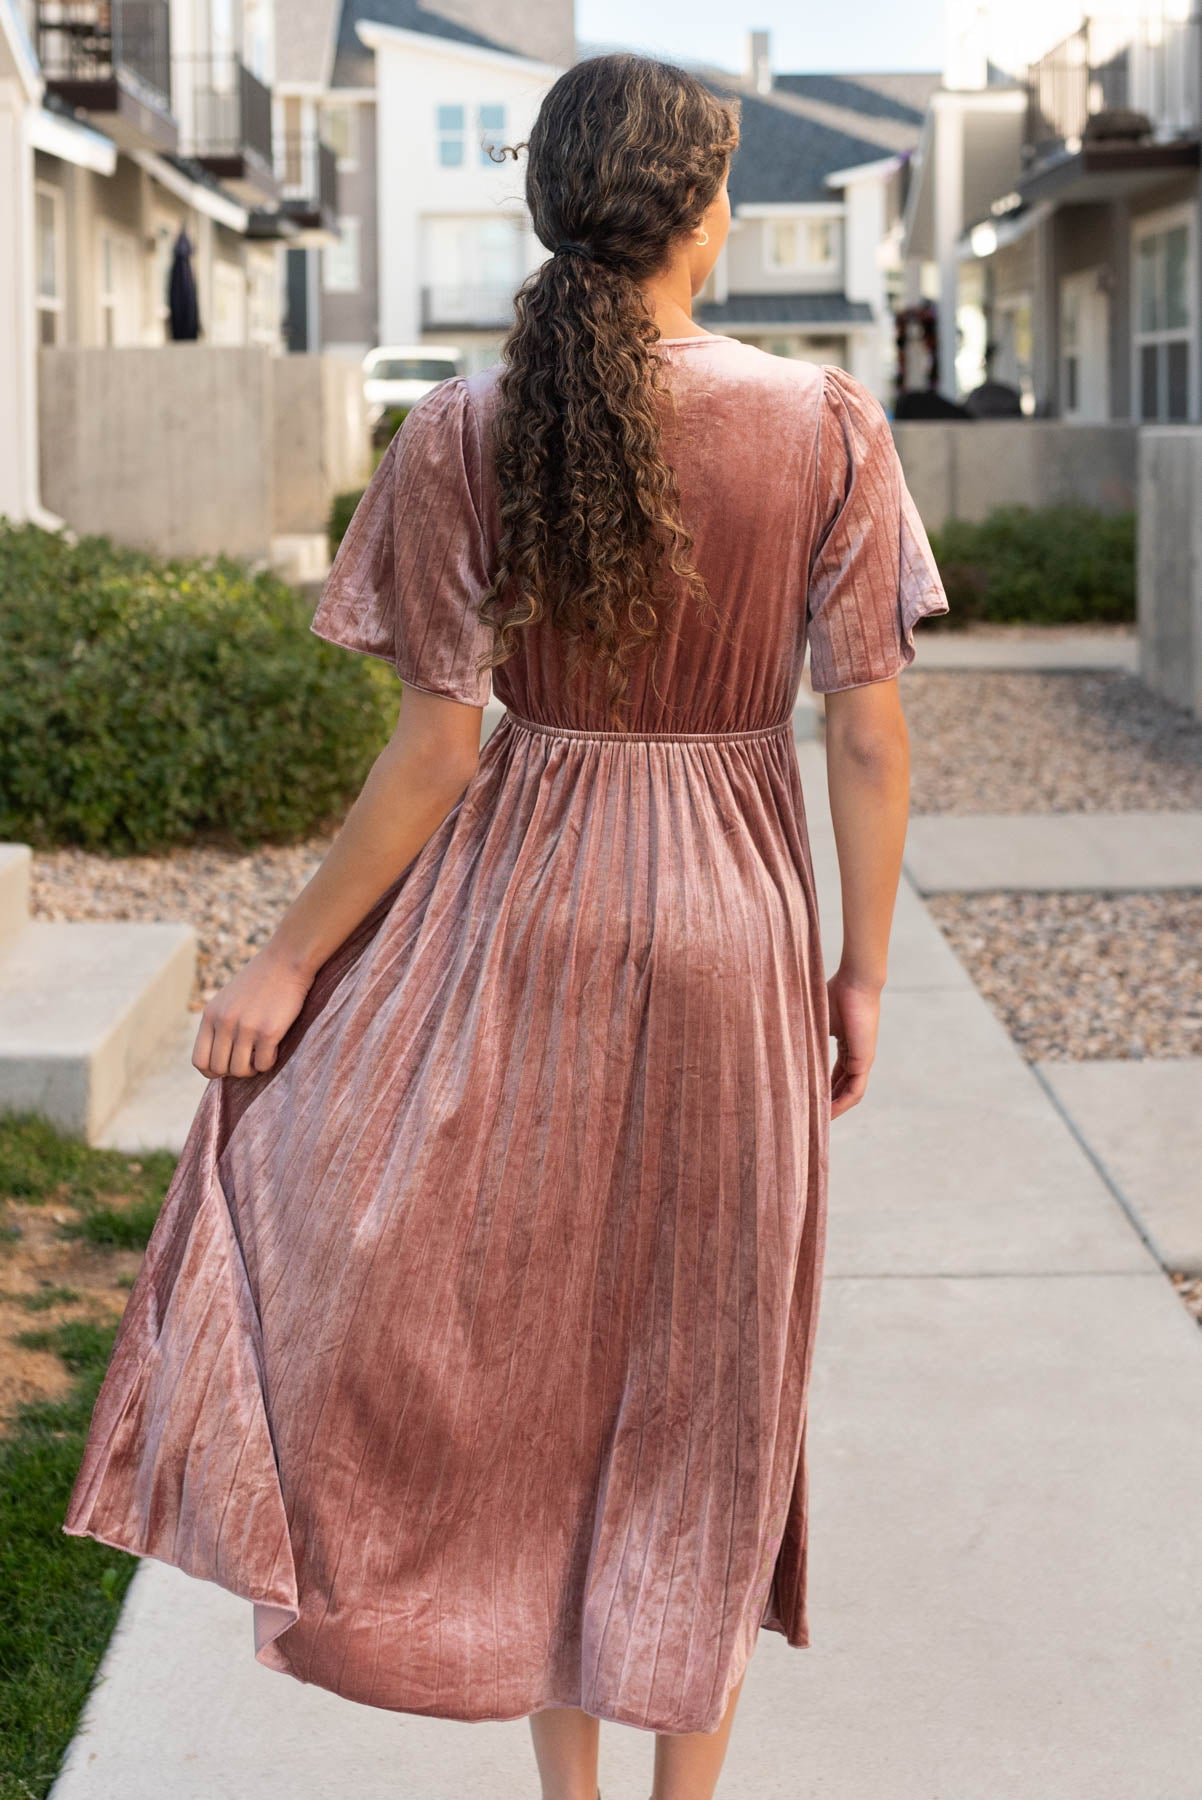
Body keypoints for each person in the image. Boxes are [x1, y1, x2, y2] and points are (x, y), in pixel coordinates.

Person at [62, 52, 948, 1800]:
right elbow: (864, 728)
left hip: (517, 925)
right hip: (733, 929)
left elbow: (431, 754)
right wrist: (861, 969)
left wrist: (287, 960)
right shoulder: (823, 422)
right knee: (710, 1380)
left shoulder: (462, 426)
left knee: (532, 1357)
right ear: (702, 212)